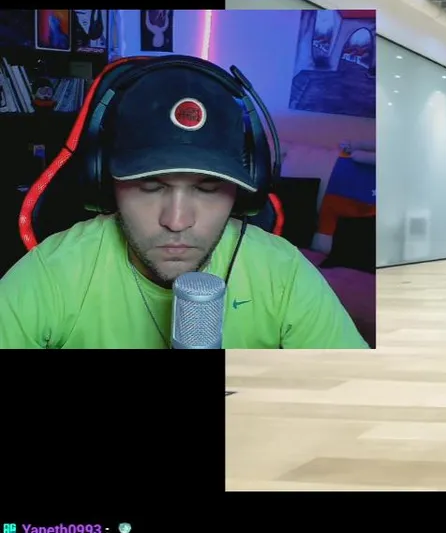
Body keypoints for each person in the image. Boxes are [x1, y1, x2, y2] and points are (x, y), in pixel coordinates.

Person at [0, 55, 369, 349]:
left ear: (247, 191)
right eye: (149, 186)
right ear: (103, 182)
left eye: (208, 188)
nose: (177, 221)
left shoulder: (284, 273)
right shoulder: (50, 274)